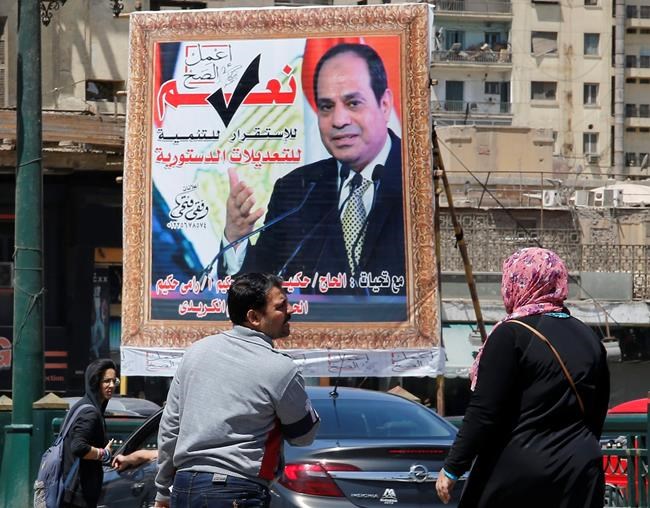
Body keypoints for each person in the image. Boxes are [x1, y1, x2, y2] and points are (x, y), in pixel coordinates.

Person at [221, 43, 405, 292]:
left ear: (384, 104)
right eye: (327, 107)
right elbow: (258, 290)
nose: (339, 121)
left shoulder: (415, 176)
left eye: (353, 103)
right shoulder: (297, 190)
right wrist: (236, 239)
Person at [435, 247, 610, 508]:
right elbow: (598, 409)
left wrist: (453, 467)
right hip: (581, 469)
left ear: (516, 282)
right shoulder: (589, 337)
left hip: (521, 472)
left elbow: (484, 411)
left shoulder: (511, 334)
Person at [154, 272, 320, 508]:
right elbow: (304, 436)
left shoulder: (195, 353)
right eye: (280, 306)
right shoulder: (280, 368)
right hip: (236, 491)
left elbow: (170, 427)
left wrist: (162, 491)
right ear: (254, 317)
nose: (291, 310)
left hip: (184, 488)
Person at [61, 358, 117, 507]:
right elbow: (78, 447)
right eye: (106, 381)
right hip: (78, 495)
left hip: (72, 492)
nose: (112, 385)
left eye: (114, 381)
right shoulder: (90, 413)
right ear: (95, 382)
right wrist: (104, 454)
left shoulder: (81, 406)